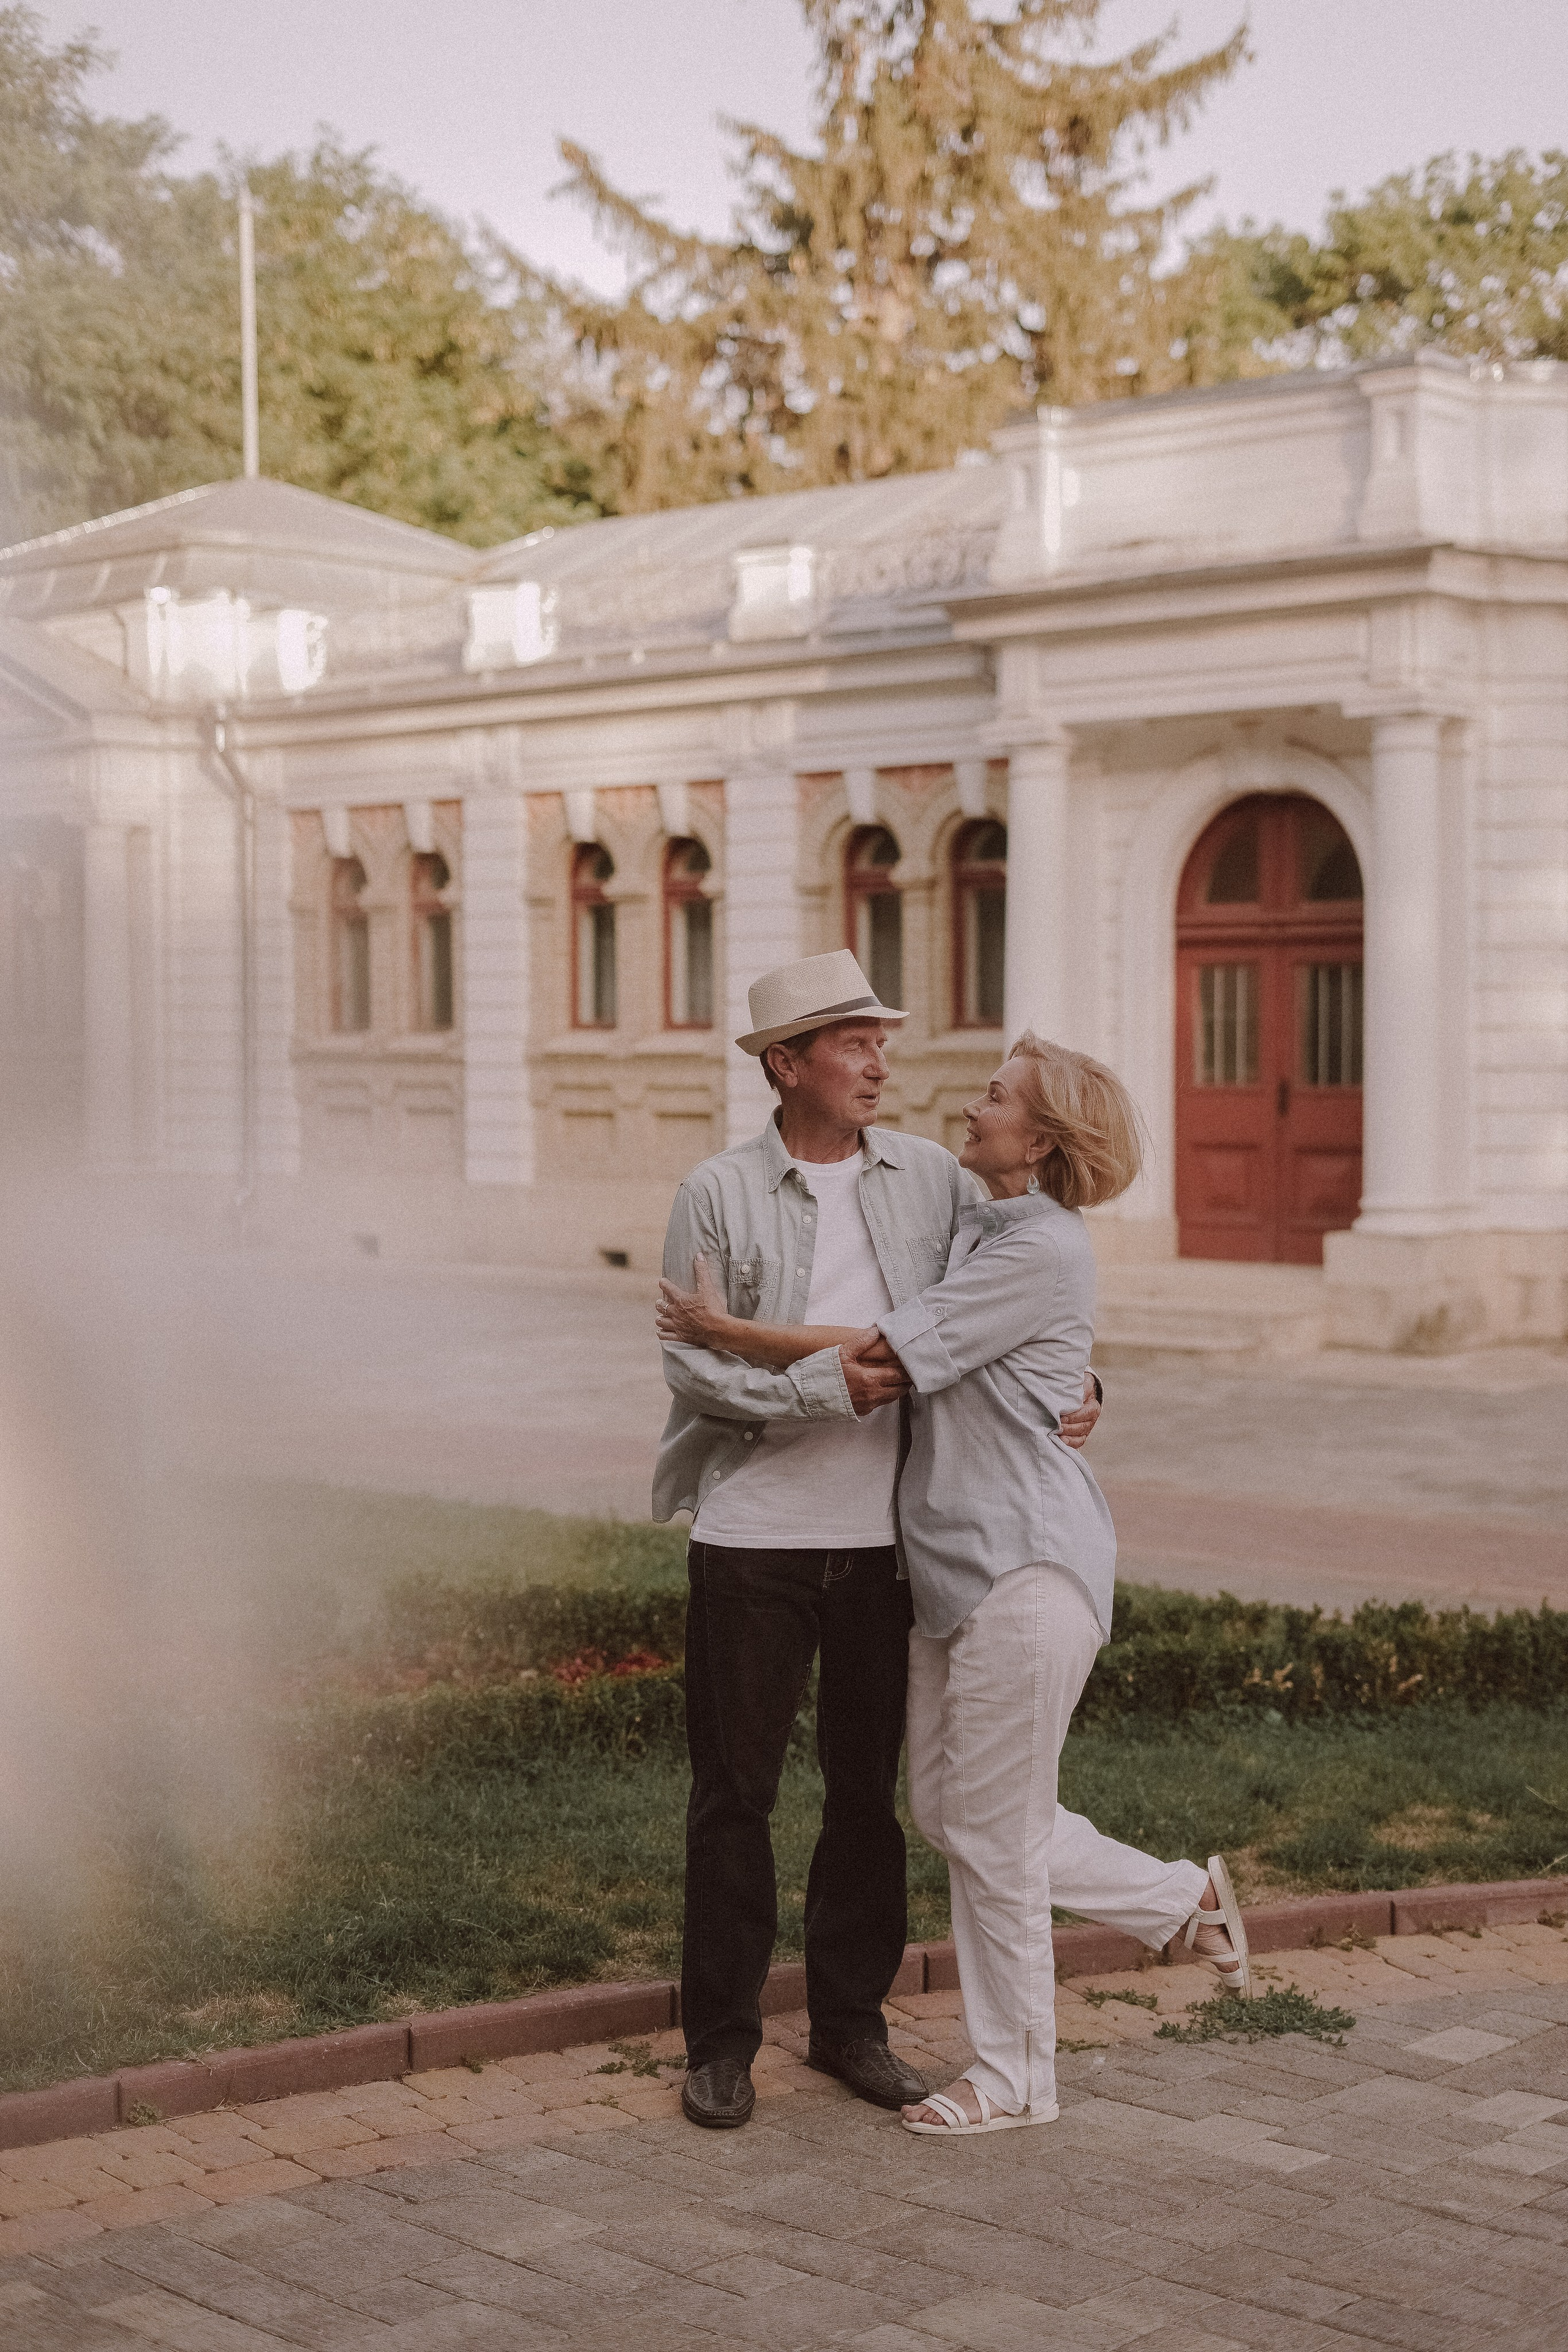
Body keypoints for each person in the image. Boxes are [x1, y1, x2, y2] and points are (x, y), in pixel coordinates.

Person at [657, 1029, 1251, 2140]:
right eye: (855, 1045)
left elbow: (917, 1340)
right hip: (909, 1562)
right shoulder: (959, 1212)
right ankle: (1180, 1900)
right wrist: (1065, 1367)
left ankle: (1002, 2072)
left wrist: (728, 1329)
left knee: (966, 1825)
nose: (946, 1095)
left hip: (1003, 1559)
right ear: (787, 1065)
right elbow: (996, 1336)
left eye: (996, 1095)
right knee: (935, 1812)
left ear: (1042, 1140)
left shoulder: (975, 1206)